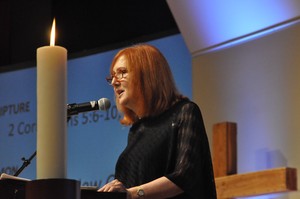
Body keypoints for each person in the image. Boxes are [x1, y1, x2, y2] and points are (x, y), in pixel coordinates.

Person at [98, 44, 216, 199]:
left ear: (147, 75)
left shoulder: (185, 112)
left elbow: (186, 175)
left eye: (122, 73)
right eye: (112, 76)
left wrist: (132, 193)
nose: (114, 82)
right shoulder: (137, 130)